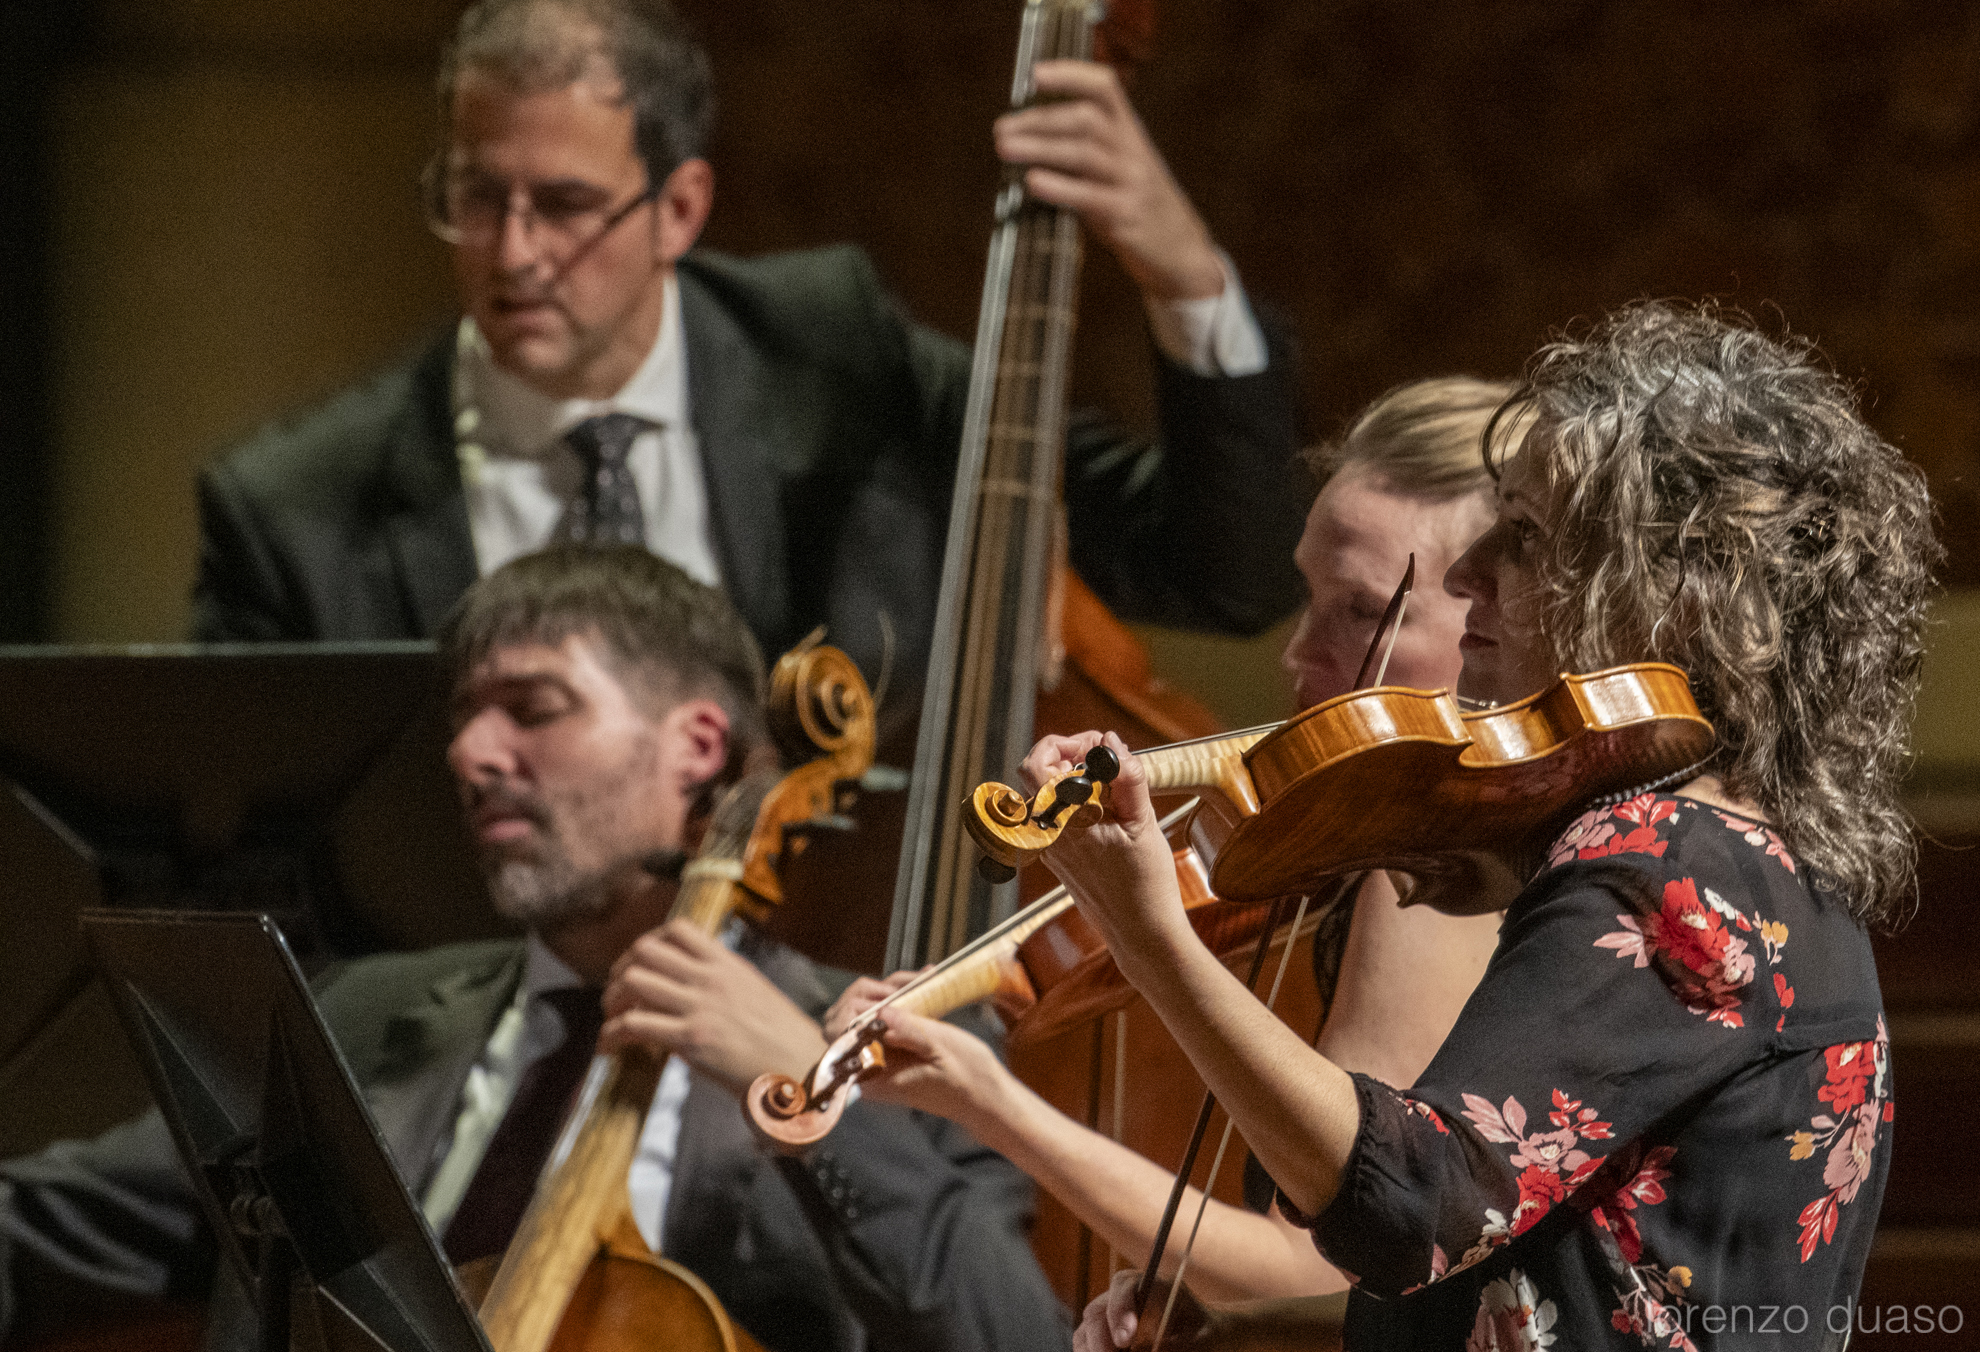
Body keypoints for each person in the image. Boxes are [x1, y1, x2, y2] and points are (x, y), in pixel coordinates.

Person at [1029, 303, 1935, 1350]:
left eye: (1527, 537)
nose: (1467, 576)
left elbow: (1416, 1205)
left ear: (1673, 592)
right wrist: (1243, 1322)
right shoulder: (1740, 853)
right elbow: (1558, 1265)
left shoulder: (1672, 874)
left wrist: (1150, 935)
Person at [0, 545, 1069, 1352]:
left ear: (698, 744)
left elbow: (1010, 1334)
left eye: (533, 708)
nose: (470, 753)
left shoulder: (899, 1042)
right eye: (464, 716)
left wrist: (810, 1082)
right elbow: (45, 1222)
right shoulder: (351, 1014)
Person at [188, 0, 1307, 700]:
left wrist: (1183, 273)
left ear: (680, 209)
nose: (514, 253)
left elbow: (1226, 576)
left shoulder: (836, 358)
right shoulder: (292, 514)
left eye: (566, 206)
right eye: (478, 199)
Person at [819, 377, 1512, 1308]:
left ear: (1504, 617)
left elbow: (1307, 1267)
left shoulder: (1433, 874)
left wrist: (990, 1100)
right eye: (1310, 597)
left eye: (1363, 610)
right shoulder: (1411, 843)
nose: (1298, 654)